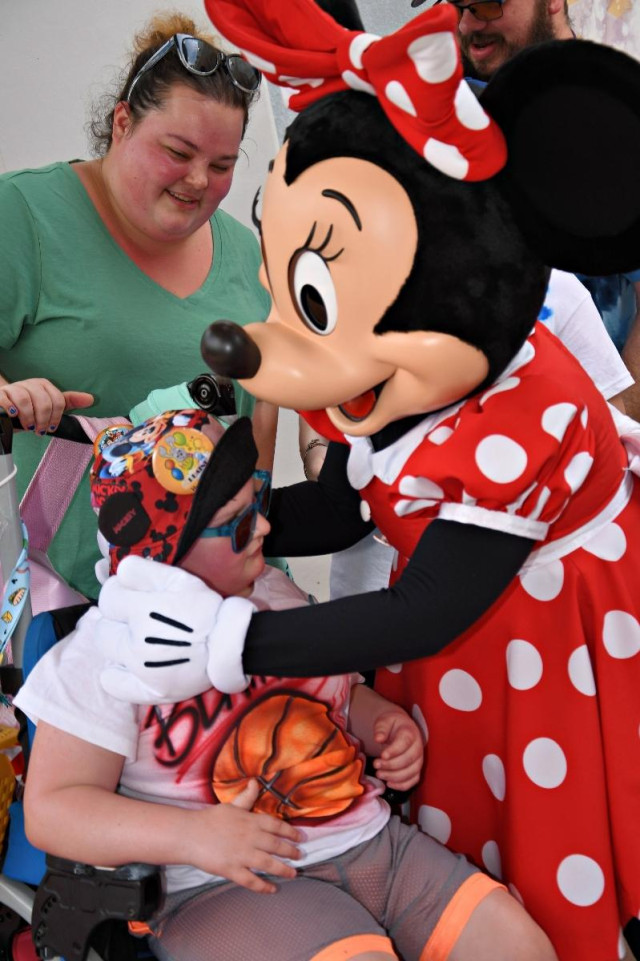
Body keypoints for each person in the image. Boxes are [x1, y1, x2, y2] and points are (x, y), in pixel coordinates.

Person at [90, 4, 640, 958]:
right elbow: (345, 506)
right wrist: (205, 527)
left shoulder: (528, 402)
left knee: (557, 870)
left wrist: (233, 639)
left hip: (554, 657)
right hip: (466, 659)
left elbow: (429, 604)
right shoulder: (390, 383)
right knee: (462, 854)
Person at [15, 409, 557, 961]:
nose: (266, 529)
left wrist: (381, 724)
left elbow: (334, 695)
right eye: (240, 524)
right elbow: (54, 810)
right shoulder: (101, 655)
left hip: (372, 844)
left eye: (259, 505)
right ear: (163, 553)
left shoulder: (275, 592)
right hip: (224, 885)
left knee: (518, 946)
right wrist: (194, 836)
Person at [0, 12, 275, 601]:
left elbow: (259, 429)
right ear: (122, 121)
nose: (199, 180)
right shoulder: (24, 216)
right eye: (179, 151)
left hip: (216, 604)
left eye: (223, 165)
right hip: (64, 603)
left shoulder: (245, 254)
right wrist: (9, 397)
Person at [433, 0, 640, 416]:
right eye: (458, 6)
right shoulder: (453, 114)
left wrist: (616, 433)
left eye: (489, 5)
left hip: (591, 436)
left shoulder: (614, 119)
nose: (469, 24)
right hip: (472, 441)